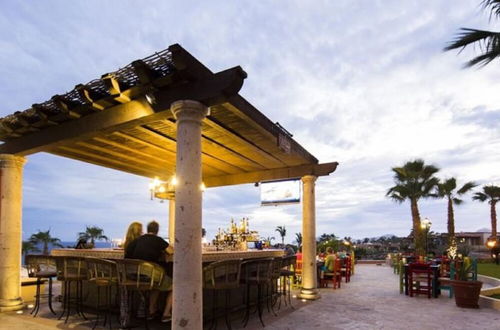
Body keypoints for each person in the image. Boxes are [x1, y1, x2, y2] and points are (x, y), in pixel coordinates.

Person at [126, 220, 173, 322]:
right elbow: (171, 251)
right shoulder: (158, 240)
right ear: (157, 230)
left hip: (133, 276)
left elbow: (128, 253)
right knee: (176, 286)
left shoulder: (137, 240)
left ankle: (151, 311)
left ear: (147, 229)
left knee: (157, 283)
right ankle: (166, 314)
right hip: (148, 275)